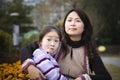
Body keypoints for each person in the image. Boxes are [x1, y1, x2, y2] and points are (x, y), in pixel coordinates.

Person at [20, 8, 112, 80]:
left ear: (85, 26)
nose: (72, 24)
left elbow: (105, 77)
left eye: (78, 20)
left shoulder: (89, 50)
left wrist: (83, 78)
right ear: (64, 24)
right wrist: (31, 67)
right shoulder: (55, 41)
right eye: (69, 20)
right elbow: (25, 50)